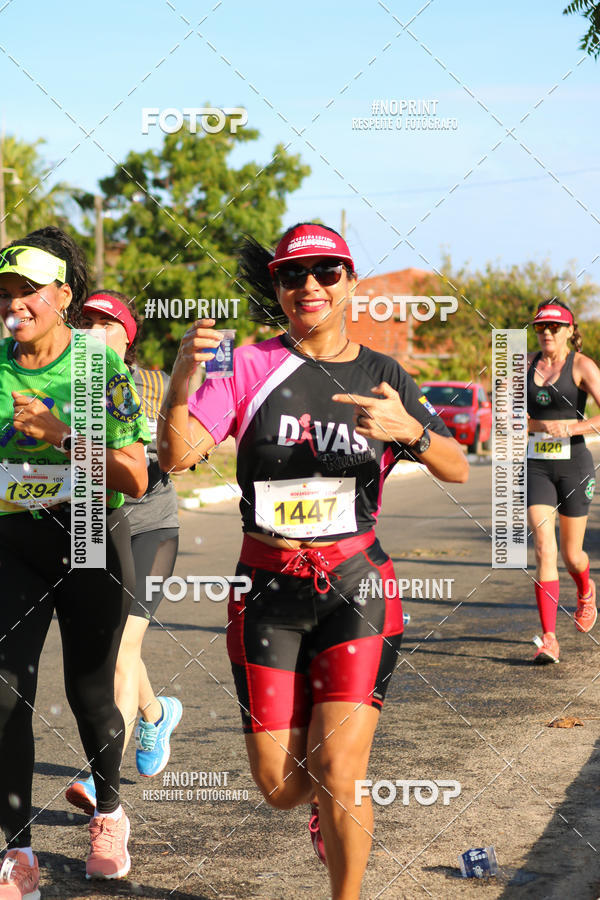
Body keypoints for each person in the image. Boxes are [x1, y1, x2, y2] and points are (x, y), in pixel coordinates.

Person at [157, 222, 468, 900]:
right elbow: (178, 456)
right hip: (266, 588)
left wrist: (411, 431)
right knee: (279, 787)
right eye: (293, 275)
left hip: (357, 585)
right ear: (277, 287)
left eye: (327, 272)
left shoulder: (383, 375)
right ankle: (322, 812)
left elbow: (458, 467)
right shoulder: (248, 366)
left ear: (350, 282)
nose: (310, 286)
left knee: (341, 767)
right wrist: (180, 383)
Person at [0, 227, 150, 897]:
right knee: (5, 695)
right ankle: (16, 852)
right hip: (11, 543)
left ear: (62, 295)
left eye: (27, 291)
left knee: (89, 693)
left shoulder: (98, 369)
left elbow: (134, 477)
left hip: (89, 532)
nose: (13, 304)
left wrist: (59, 435)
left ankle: (110, 812)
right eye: (3, 292)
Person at [65, 291, 181, 818]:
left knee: (121, 649)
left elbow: (184, 438)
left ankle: (98, 776)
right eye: (84, 322)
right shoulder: (60, 381)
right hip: (95, 526)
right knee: (115, 645)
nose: (92, 331)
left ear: (128, 336)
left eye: (106, 324)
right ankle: (157, 715)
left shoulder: (147, 385)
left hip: (153, 527)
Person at [527, 298, 600, 663]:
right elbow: (507, 417)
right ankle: (549, 638)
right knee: (543, 547)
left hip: (574, 465)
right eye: (541, 327)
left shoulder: (582, 366)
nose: (547, 333)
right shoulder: (524, 365)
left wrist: (571, 426)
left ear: (570, 332)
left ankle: (586, 591)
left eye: (555, 327)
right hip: (537, 466)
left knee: (572, 556)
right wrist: (538, 426)